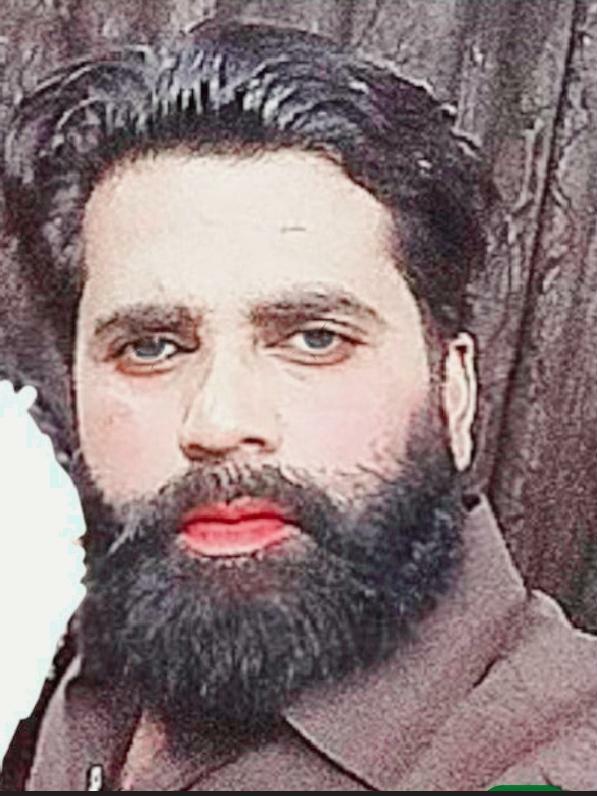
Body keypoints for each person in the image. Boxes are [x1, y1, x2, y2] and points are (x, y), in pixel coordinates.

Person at [1, 20, 596, 792]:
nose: (218, 422)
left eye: (314, 339)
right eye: (150, 347)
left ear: (453, 393)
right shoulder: (65, 625)